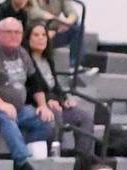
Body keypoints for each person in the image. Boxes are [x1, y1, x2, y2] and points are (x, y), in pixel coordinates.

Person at [0, 17, 53, 170]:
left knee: (46, 121)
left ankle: (20, 145)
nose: (14, 36)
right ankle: (22, 162)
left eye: (18, 32)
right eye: (9, 32)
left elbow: (35, 81)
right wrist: (1, 105)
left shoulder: (22, 53)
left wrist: (43, 105)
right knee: (6, 118)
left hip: (18, 108)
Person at [25, 21, 94, 162]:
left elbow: (55, 86)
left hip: (54, 103)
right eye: (36, 35)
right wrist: (48, 101)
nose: (41, 38)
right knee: (54, 113)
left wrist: (64, 99)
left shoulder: (47, 59)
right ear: (28, 38)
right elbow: (31, 87)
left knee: (84, 117)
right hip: (35, 105)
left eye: (44, 35)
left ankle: (82, 158)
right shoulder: (25, 60)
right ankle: (55, 155)